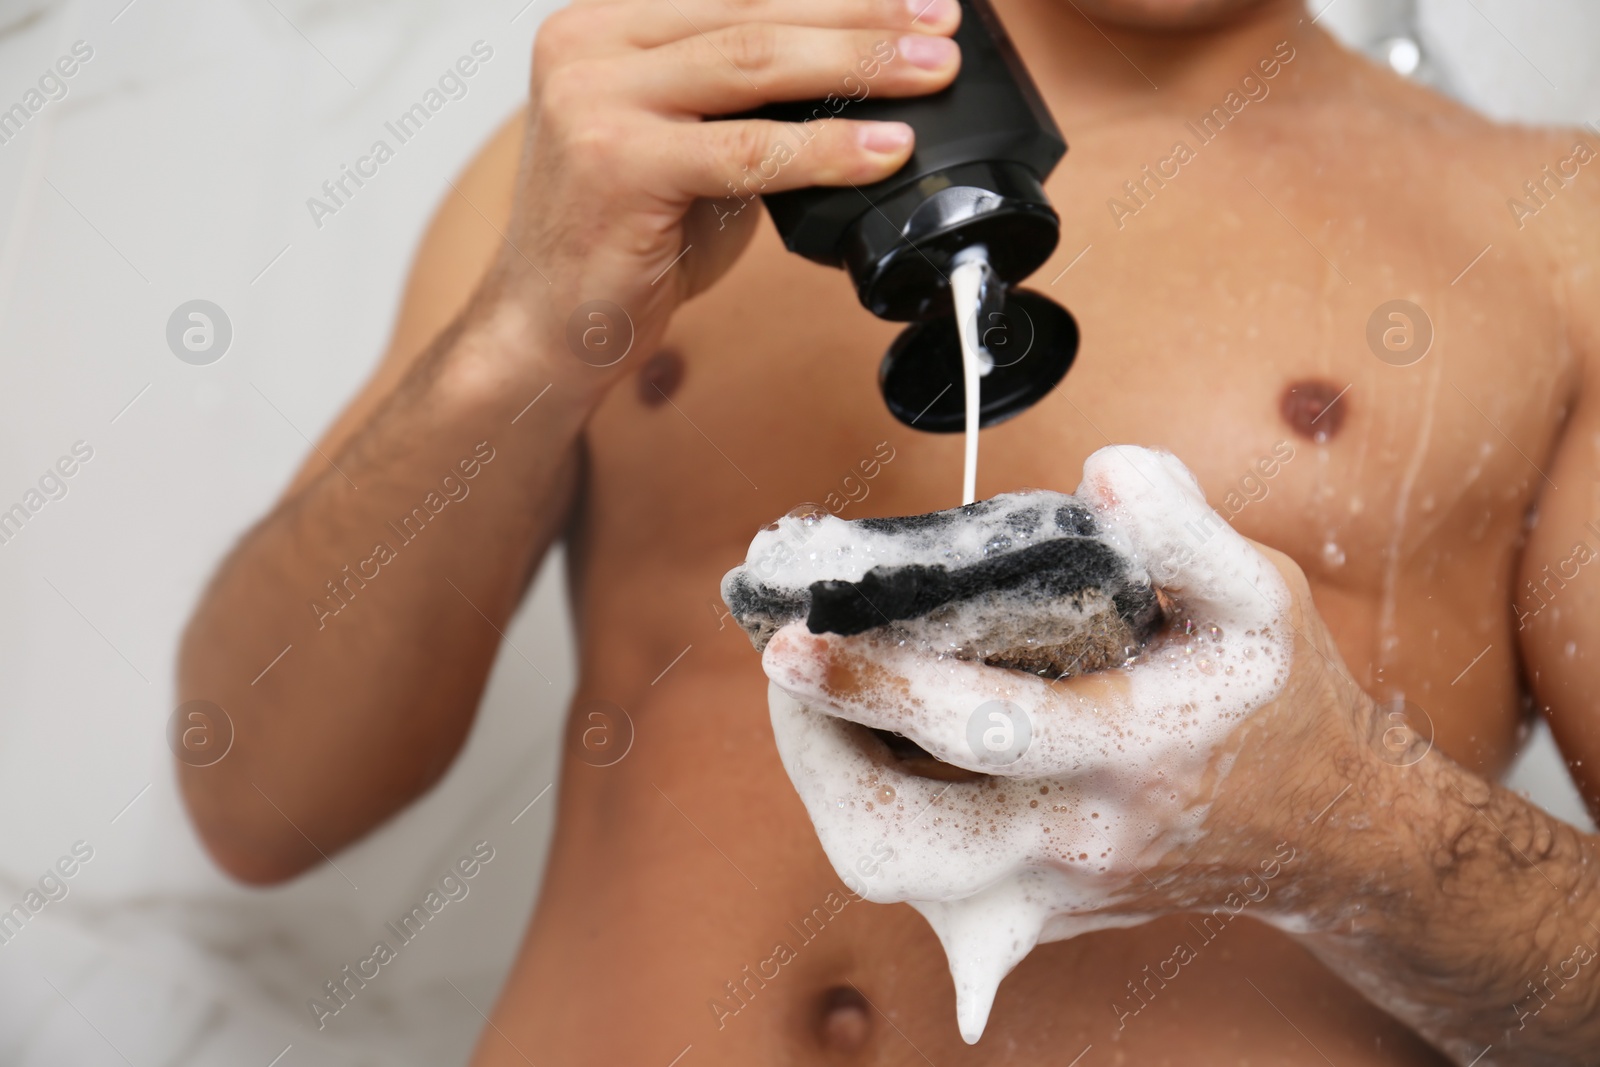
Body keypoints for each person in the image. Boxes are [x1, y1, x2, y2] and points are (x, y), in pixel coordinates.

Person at [175, 0, 1600, 1061]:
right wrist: (527, 338)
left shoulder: (1549, 233)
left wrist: (1361, 836)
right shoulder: (649, 139)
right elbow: (254, 795)